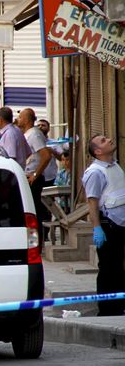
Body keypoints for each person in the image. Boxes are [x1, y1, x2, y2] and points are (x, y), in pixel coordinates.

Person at [82, 135, 125, 317]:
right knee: (109, 268)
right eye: (103, 140)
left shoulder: (114, 166)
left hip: (120, 224)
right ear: (98, 152)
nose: (108, 140)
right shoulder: (95, 172)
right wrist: (97, 227)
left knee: (118, 267)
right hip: (109, 225)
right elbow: (92, 202)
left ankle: (119, 306)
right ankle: (107, 310)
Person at [20, 108, 57, 242]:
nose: (18, 120)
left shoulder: (34, 134)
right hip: (28, 176)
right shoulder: (27, 134)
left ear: (26, 119)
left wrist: (35, 174)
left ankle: (36, 242)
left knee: (34, 212)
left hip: (33, 179)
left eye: (20, 117)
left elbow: (46, 155)